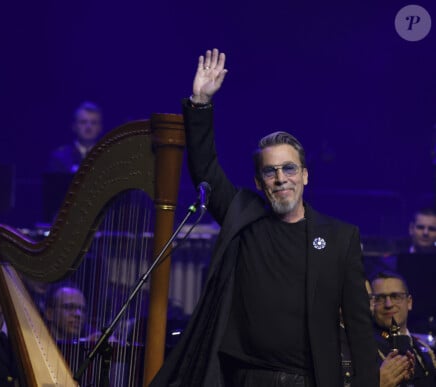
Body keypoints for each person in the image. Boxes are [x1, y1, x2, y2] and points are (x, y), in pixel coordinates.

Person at [150, 48, 378, 387]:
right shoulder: (244, 215)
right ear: (259, 182)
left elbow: (359, 329)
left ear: (305, 176)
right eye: (270, 172)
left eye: (288, 168)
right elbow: (205, 169)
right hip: (243, 379)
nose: (280, 178)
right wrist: (200, 103)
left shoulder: (341, 237)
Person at [370, 271, 436, 386]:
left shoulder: (426, 351)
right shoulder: (360, 349)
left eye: (395, 296)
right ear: (371, 305)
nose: (388, 304)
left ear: (409, 302)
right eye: (380, 298)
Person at [48, 101, 103, 174]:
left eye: (93, 122)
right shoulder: (61, 157)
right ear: (74, 126)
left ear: (100, 128)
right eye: (83, 122)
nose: (88, 127)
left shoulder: (106, 156)